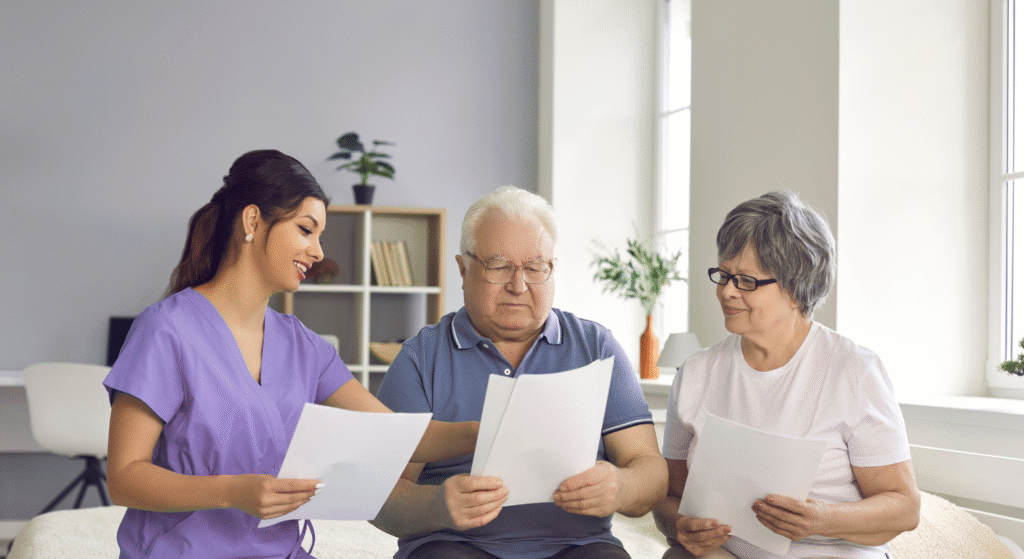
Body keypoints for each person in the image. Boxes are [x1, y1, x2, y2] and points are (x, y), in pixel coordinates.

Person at [103, 150, 478, 559]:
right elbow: (124, 477)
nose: (318, 252)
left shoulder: (303, 345)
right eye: (306, 230)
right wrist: (233, 491)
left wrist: (483, 433)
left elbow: (395, 436)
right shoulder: (165, 331)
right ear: (252, 222)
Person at [372, 186, 668, 559]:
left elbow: (650, 470)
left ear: (552, 270)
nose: (518, 285)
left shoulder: (597, 347)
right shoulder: (420, 358)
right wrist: (435, 505)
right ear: (463, 270)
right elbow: (379, 495)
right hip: (452, 544)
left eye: (534, 267)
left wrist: (621, 486)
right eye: (498, 266)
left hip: (580, 546)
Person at [653, 191, 920, 559]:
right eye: (724, 275)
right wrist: (679, 528)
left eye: (746, 280)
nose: (726, 292)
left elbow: (905, 507)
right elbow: (669, 497)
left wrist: (822, 519)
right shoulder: (696, 373)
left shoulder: (853, 371)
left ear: (796, 289)